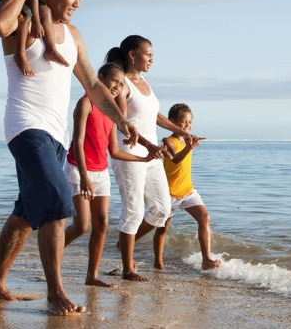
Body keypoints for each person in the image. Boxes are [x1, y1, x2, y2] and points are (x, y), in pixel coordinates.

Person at [0, 0, 139, 316]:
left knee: (25, 212)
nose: (77, 4)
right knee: (55, 204)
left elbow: (94, 86)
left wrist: (120, 120)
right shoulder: (24, 22)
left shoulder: (74, 35)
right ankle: (56, 294)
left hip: (56, 135)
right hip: (25, 126)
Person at [62, 62, 162, 288]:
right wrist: (85, 177)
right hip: (79, 170)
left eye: (120, 84)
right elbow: (77, 142)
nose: (116, 86)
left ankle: (92, 276)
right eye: (113, 81)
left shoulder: (111, 114)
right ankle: (52, 252)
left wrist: (143, 158)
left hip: (100, 171)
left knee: (103, 223)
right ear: (99, 78)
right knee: (82, 225)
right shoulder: (86, 103)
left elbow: (114, 151)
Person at [105, 35, 195, 282]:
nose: (152, 60)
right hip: (130, 154)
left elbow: (155, 116)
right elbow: (121, 123)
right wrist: (147, 146)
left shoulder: (144, 82)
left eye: (153, 56)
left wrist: (181, 131)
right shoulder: (122, 84)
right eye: (148, 55)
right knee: (133, 211)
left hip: (151, 154)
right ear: (132, 55)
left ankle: (126, 245)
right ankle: (128, 268)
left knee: (162, 209)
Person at [140, 103, 221, 270]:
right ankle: (157, 261)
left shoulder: (187, 140)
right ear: (171, 122)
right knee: (162, 228)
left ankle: (206, 259)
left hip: (187, 190)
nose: (188, 126)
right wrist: (189, 148)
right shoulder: (167, 140)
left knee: (204, 217)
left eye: (190, 123)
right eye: (184, 122)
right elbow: (176, 159)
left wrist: (189, 145)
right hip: (168, 192)